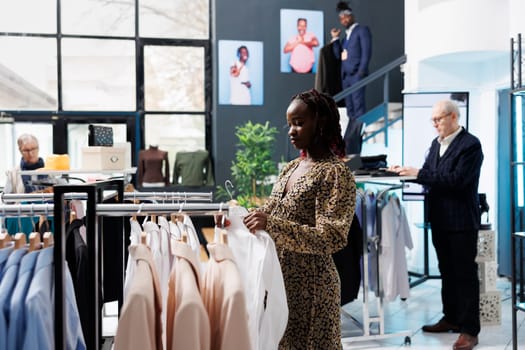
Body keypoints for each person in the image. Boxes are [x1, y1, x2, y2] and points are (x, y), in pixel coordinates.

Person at [243, 89, 356, 349]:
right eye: (290, 124)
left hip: (313, 291)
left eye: (299, 123)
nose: (292, 131)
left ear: (321, 123)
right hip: (279, 283)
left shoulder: (335, 173)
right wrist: (238, 221)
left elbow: (332, 237)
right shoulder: (291, 167)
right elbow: (271, 211)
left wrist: (270, 224)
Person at [389, 100, 483, 350]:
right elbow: (432, 174)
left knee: (465, 276)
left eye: (438, 119)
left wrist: (418, 173)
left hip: (462, 221)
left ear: (453, 117)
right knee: (447, 272)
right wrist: (407, 173)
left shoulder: (470, 145)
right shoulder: (435, 144)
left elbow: (457, 180)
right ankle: (451, 318)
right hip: (440, 219)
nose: (434, 124)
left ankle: (470, 330)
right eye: (433, 120)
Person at [330, 1, 371, 121]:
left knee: (358, 105)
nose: (344, 20)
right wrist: (335, 38)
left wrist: (361, 72)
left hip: (356, 75)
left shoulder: (361, 30)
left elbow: (366, 51)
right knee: (350, 108)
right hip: (346, 77)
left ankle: (359, 134)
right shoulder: (345, 37)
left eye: (346, 17)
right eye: (341, 18)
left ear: (351, 16)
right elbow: (338, 55)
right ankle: (352, 134)